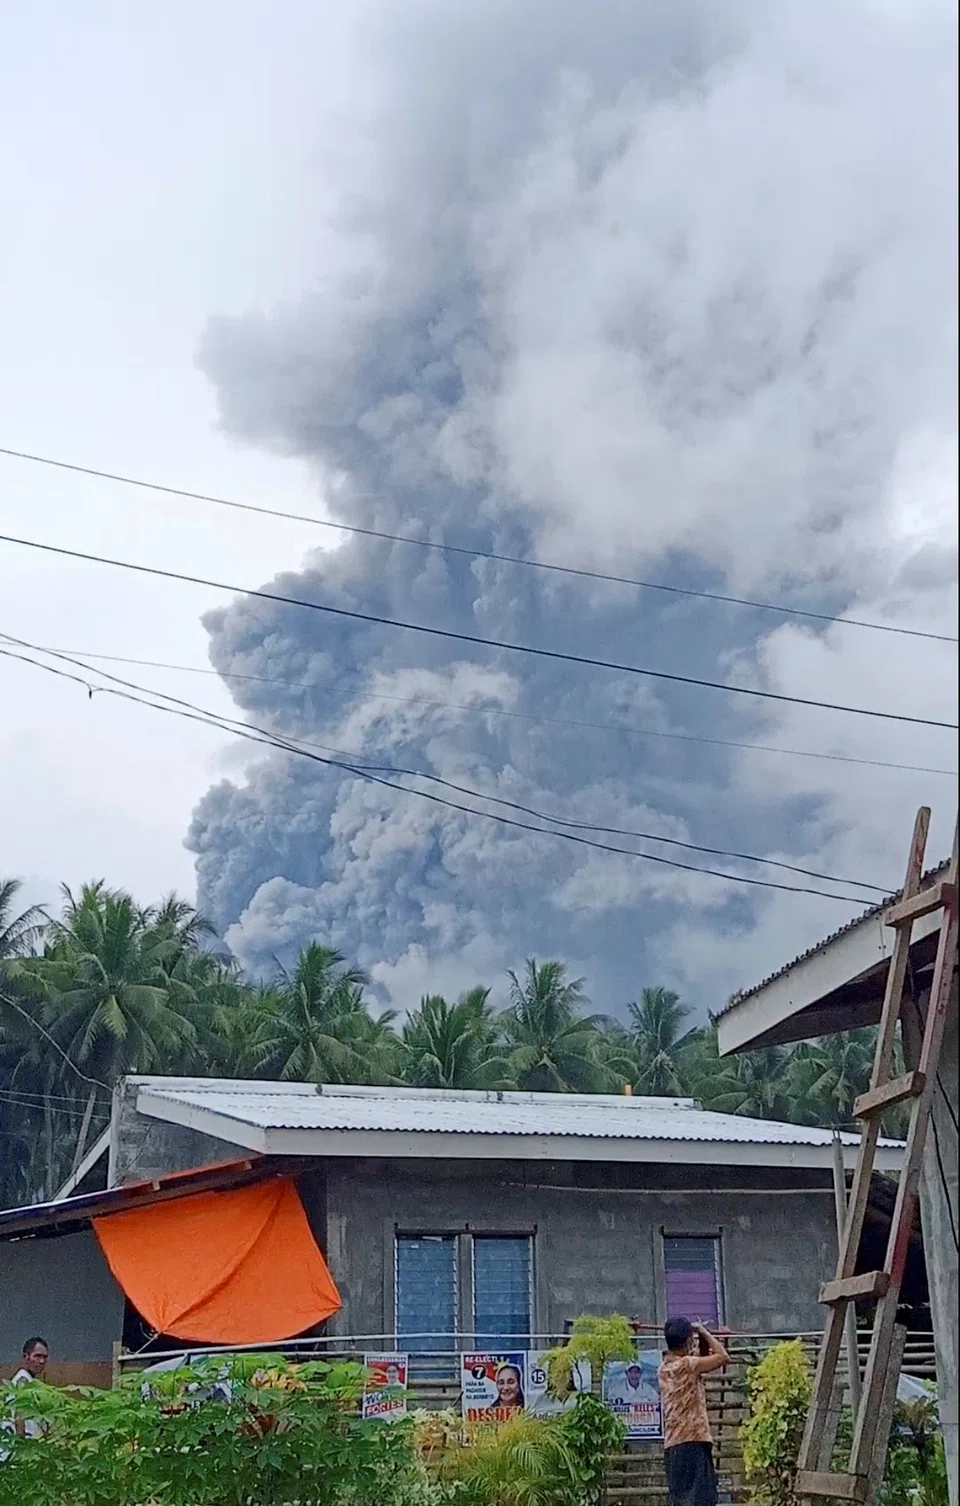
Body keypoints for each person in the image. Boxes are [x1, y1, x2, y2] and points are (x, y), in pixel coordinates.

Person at [657, 1317, 729, 1506]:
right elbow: (722, 1356)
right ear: (688, 1340)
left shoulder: (664, 1368)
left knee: (680, 1500)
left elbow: (701, 1360)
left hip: (674, 1445)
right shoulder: (688, 1365)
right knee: (701, 1499)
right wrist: (704, 1332)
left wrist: (697, 1338)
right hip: (693, 1442)